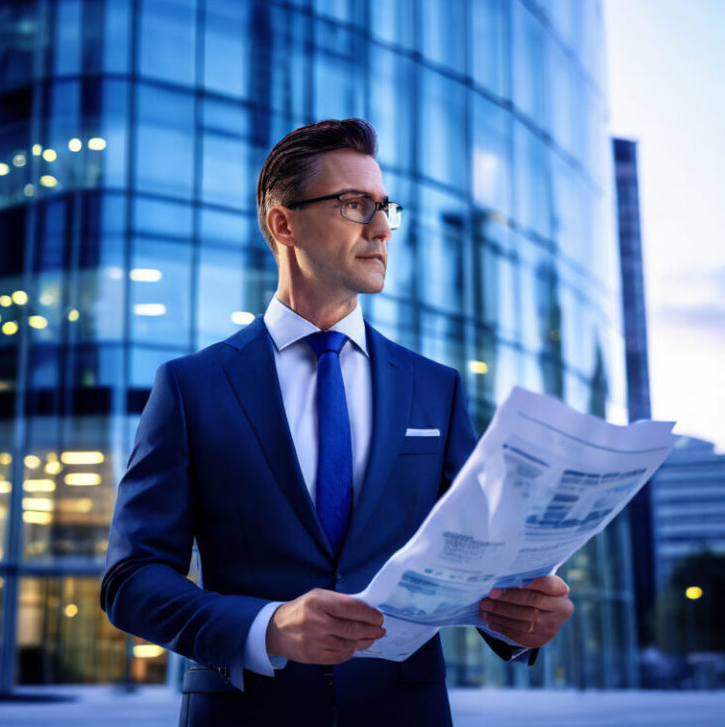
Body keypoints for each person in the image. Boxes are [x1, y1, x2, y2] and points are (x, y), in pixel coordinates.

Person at [100, 119, 573, 726]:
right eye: (354, 205)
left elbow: (481, 555)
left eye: (385, 208)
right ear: (283, 223)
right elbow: (132, 579)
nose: (381, 229)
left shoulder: (436, 388)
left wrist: (522, 620)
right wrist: (268, 627)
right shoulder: (192, 388)